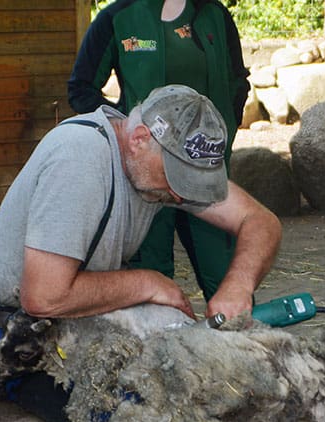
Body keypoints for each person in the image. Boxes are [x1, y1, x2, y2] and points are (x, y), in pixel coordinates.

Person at [0, 84, 280, 422]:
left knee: (211, 391)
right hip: (7, 335)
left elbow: (260, 220)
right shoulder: (82, 158)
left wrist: (238, 284)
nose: (182, 196)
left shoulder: (152, 166)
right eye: (178, 179)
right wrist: (146, 282)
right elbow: (44, 295)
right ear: (141, 137)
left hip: (82, 322)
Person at [68, 0, 250, 302]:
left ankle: (238, 344)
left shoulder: (213, 14)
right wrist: (128, 133)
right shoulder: (118, 17)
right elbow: (81, 88)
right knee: (149, 275)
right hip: (147, 176)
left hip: (203, 171)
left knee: (223, 273)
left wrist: (223, 133)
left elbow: (237, 82)